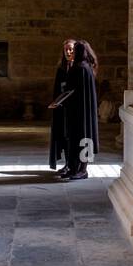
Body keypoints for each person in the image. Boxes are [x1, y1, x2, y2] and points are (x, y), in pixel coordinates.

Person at [63, 39, 99, 181]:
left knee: (83, 139)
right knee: (76, 139)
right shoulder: (84, 67)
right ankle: (73, 168)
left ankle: (82, 170)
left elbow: (73, 91)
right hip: (80, 110)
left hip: (80, 111)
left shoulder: (81, 68)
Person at [48, 38, 75, 177]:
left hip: (74, 110)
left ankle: (73, 164)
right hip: (62, 109)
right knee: (63, 137)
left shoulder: (79, 68)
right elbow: (57, 89)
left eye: (71, 49)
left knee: (72, 137)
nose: (68, 52)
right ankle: (67, 163)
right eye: (66, 50)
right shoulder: (61, 69)